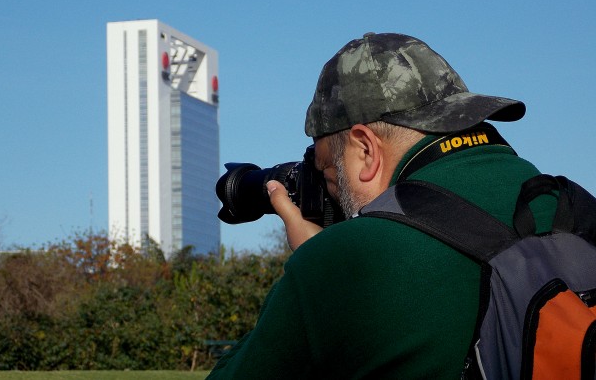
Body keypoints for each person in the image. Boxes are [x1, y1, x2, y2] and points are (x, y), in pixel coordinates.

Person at [207, 32, 556, 379]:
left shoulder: (347, 262)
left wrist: (316, 267)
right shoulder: (568, 205)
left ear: (365, 150)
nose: (331, 192)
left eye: (326, 170)